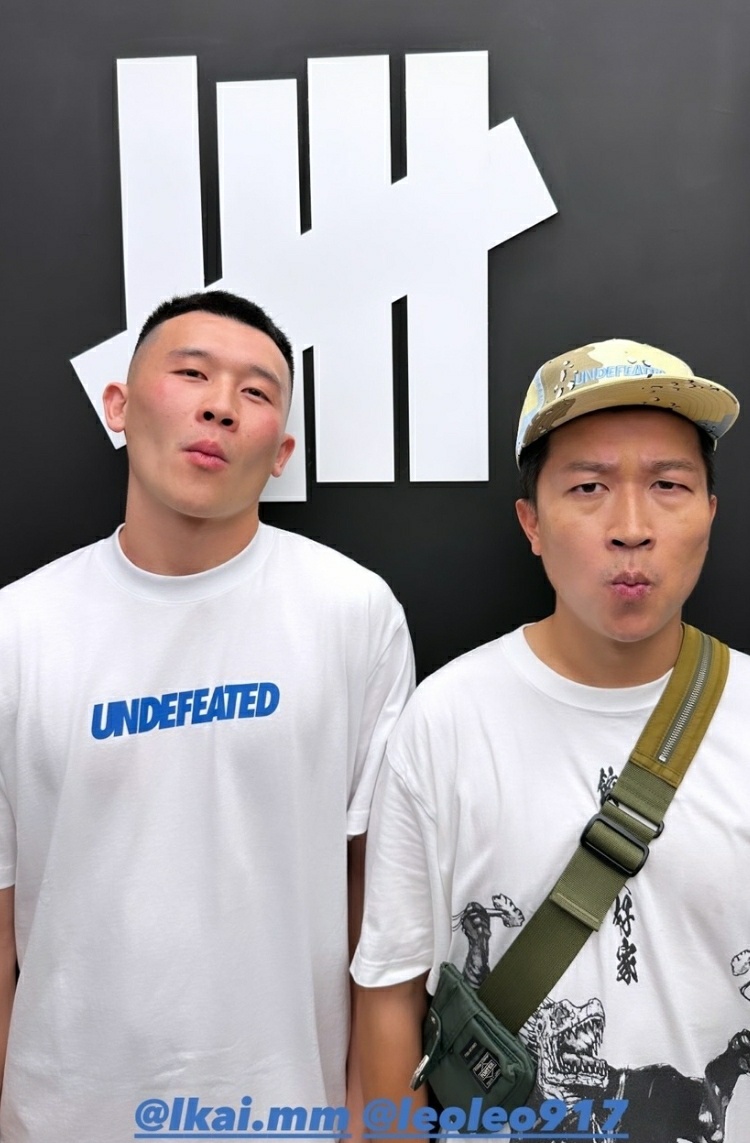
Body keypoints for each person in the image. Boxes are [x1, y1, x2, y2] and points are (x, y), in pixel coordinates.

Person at [0, 290, 414, 1140]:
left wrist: (373, 1119)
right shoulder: (18, 628)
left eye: (256, 392)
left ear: (281, 451)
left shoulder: (352, 611)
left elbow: (380, 900)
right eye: (191, 373)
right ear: (118, 405)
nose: (221, 405)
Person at [353, 339, 750, 1140]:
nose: (631, 527)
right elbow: (391, 993)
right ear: (531, 521)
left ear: (710, 511)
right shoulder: (446, 719)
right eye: (589, 486)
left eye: (668, 485)